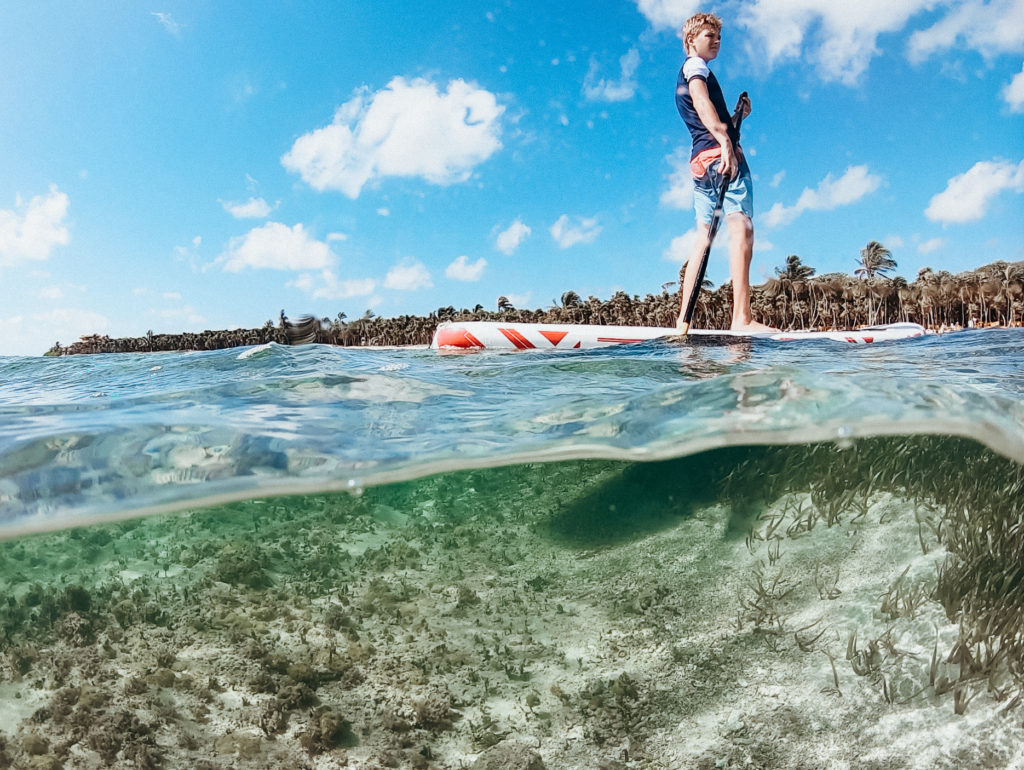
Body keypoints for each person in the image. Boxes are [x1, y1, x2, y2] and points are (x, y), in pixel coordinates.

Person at [674, 12, 775, 332]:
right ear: (691, 41)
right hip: (721, 158)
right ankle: (742, 318)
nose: (717, 42)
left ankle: (682, 321)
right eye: (709, 37)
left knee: (703, 238)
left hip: (700, 163)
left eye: (719, 37)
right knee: (741, 227)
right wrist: (725, 141)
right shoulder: (695, 68)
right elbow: (701, 103)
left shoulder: (692, 71)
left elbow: (705, 113)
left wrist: (736, 116)